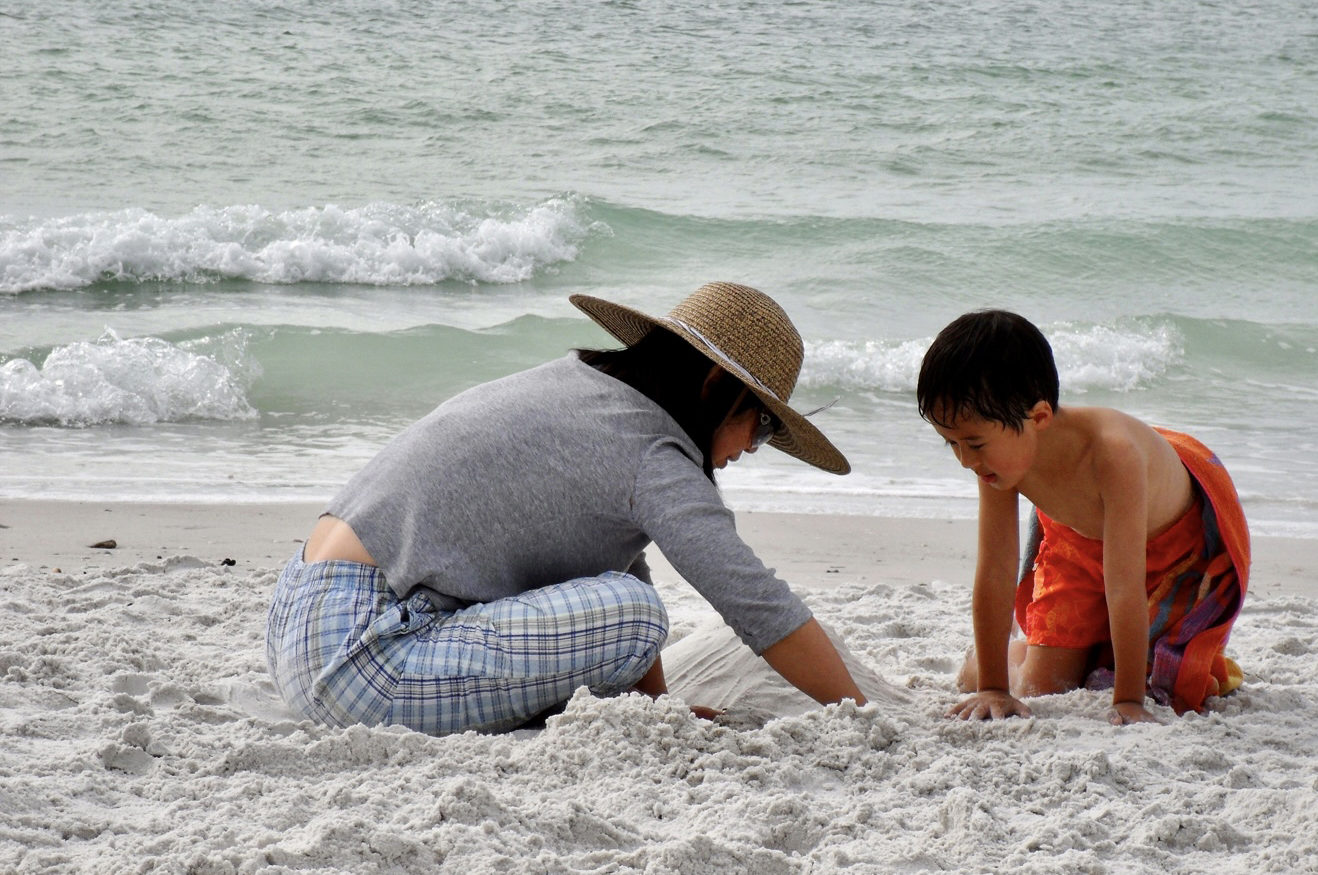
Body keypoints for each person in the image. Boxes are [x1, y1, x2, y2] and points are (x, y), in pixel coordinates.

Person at [265, 282, 866, 736]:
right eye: (760, 428)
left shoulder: (581, 387)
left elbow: (610, 561)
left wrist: (656, 713)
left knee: (623, 601)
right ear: (713, 387)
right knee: (636, 614)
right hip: (360, 665)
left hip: (296, 617)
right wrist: (857, 714)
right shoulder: (653, 453)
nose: (750, 451)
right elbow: (754, 602)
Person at [916, 310, 1249, 725]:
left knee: (1174, 687)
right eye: (951, 445)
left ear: (1038, 418)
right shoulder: (997, 459)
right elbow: (996, 568)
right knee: (1041, 685)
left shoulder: (1113, 454)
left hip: (1170, 554)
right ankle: (1001, 658)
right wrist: (993, 686)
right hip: (1077, 542)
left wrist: (1127, 700)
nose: (965, 460)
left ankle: (1108, 659)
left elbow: (1124, 584)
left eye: (973, 443)